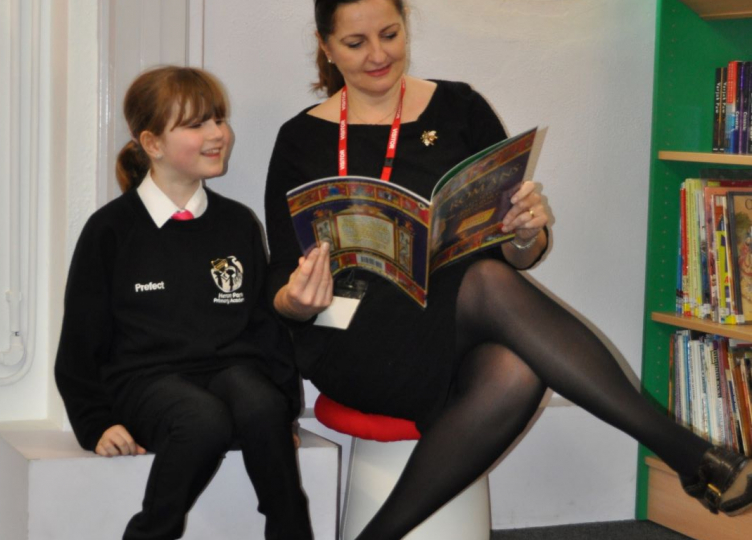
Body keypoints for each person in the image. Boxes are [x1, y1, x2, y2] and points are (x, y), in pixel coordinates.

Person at [263, 1, 752, 538]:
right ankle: (687, 453)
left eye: (390, 34)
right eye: (356, 44)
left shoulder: (459, 108)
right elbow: (281, 285)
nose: (379, 54)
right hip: (354, 338)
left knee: (515, 368)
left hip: (452, 321)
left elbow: (513, 253)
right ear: (327, 45)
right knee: (485, 283)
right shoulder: (299, 140)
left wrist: (526, 232)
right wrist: (296, 299)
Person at [55, 66, 313, 540]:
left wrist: (284, 414)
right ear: (152, 143)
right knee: (202, 421)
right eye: (196, 125)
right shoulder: (111, 230)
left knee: (260, 404)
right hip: (145, 381)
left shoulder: (238, 223)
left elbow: (264, 328)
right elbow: (80, 343)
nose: (218, 134)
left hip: (229, 373)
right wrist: (94, 423)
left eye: (218, 119)